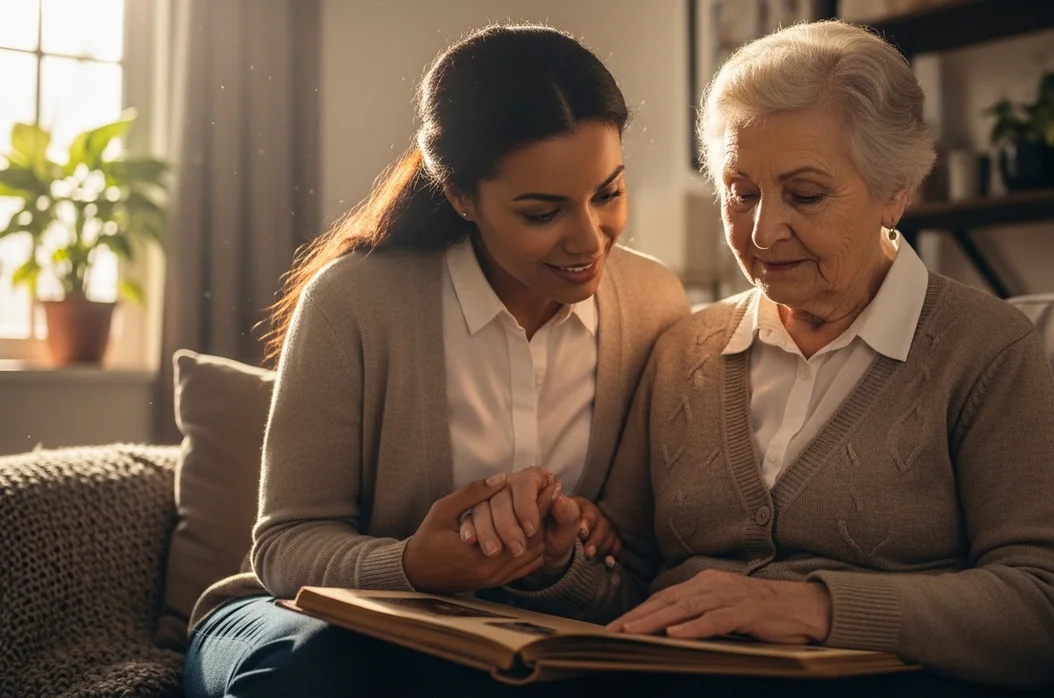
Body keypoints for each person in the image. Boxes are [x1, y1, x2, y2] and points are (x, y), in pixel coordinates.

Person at [505, 21, 1054, 696]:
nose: (762, 232)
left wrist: (820, 607)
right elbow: (631, 582)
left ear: (895, 190)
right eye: (742, 191)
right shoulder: (682, 351)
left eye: (806, 194)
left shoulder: (986, 349)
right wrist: (558, 563)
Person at [182, 24, 689, 698]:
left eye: (607, 193)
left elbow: (632, 571)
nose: (587, 239)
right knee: (307, 676)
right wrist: (415, 565)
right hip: (303, 620)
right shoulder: (355, 300)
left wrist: (555, 559)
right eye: (542, 212)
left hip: (511, 639)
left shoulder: (654, 305)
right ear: (460, 196)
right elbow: (284, 549)